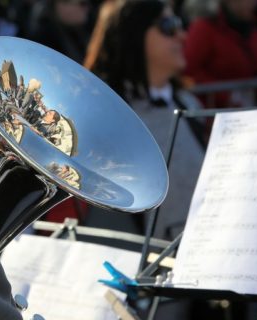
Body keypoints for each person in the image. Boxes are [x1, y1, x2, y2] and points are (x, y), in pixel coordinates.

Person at [87, 0, 204, 239]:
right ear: (132, 35)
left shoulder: (189, 104)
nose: (182, 36)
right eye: (168, 25)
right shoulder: (104, 116)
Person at [184, 0, 257, 108]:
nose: (255, 3)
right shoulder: (204, 28)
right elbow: (189, 71)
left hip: (252, 110)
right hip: (215, 114)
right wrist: (227, 96)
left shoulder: (251, 26)